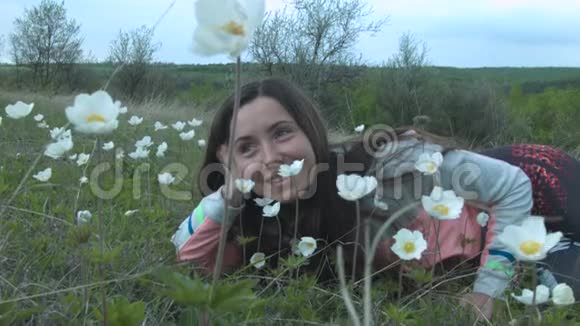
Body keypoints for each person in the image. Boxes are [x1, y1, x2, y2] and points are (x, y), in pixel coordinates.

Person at [171, 77, 579, 319]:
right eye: (246, 148)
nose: (271, 157)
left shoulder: (387, 165)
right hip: (496, 225)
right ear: (228, 161)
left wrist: (487, 291)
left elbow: (512, 186)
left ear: (310, 129)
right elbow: (194, 260)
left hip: (538, 182)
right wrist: (228, 193)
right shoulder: (266, 222)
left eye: (281, 133)